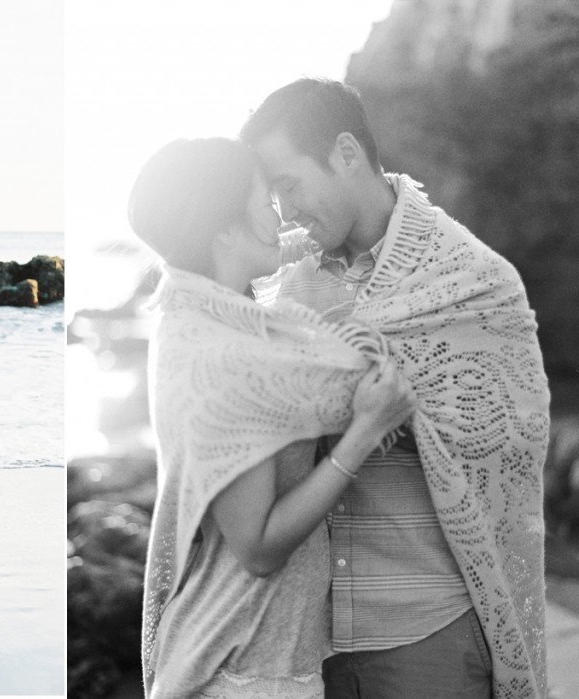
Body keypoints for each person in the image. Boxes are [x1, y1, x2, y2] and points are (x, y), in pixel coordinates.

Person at [239, 77, 551, 699]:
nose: (286, 210)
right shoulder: (275, 281)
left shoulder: (474, 280)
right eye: (271, 193)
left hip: (428, 637)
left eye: (289, 183)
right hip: (303, 642)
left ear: (346, 153)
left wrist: (391, 400)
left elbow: (514, 439)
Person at [130, 137, 416, 698]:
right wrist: (363, 431)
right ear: (227, 230)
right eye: (266, 201)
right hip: (244, 672)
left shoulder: (196, 312)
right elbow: (258, 548)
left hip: (254, 655)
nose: (279, 214)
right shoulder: (226, 357)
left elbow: (266, 257)